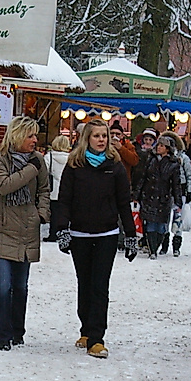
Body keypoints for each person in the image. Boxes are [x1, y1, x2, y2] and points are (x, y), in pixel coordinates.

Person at [53, 119, 137, 359]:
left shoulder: (116, 166)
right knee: (85, 284)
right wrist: (62, 229)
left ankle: (97, 338)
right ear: (86, 138)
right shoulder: (74, 165)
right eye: (97, 136)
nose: (101, 140)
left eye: (104, 135)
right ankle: (86, 329)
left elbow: (124, 203)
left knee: (100, 286)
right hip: (80, 233)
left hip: (106, 234)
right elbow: (65, 199)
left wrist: (130, 234)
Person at [0, 116, 51, 351]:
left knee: (21, 286)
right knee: (4, 284)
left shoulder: (39, 161)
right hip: (1, 228)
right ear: (17, 135)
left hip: (26, 228)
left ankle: (17, 331)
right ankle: (3, 336)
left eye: (36, 135)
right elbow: (4, 186)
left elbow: (44, 189)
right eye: (30, 135)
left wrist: (42, 213)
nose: (35, 140)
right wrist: (30, 169)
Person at [135, 135, 183, 259]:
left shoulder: (173, 164)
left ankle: (156, 246)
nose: (159, 147)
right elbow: (143, 178)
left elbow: (176, 184)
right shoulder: (151, 160)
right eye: (159, 145)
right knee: (150, 224)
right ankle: (152, 250)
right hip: (149, 196)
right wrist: (137, 195)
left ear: (168, 148)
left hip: (164, 198)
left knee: (161, 226)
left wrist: (178, 201)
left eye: (162, 146)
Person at [157, 130, 191, 256]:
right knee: (165, 220)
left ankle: (176, 246)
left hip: (181, 191)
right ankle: (164, 245)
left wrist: (188, 191)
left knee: (178, 220)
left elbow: (189, 175)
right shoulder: (161, 159)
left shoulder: (183, 158)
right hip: (166, 191)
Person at [43, 135, 71, 242]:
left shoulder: (48, 157)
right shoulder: (71, 158)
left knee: (54, 214)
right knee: (65, 213)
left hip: (53, 189)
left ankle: (53, 234)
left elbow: (44, 173)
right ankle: (64, 233)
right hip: (67, 189)